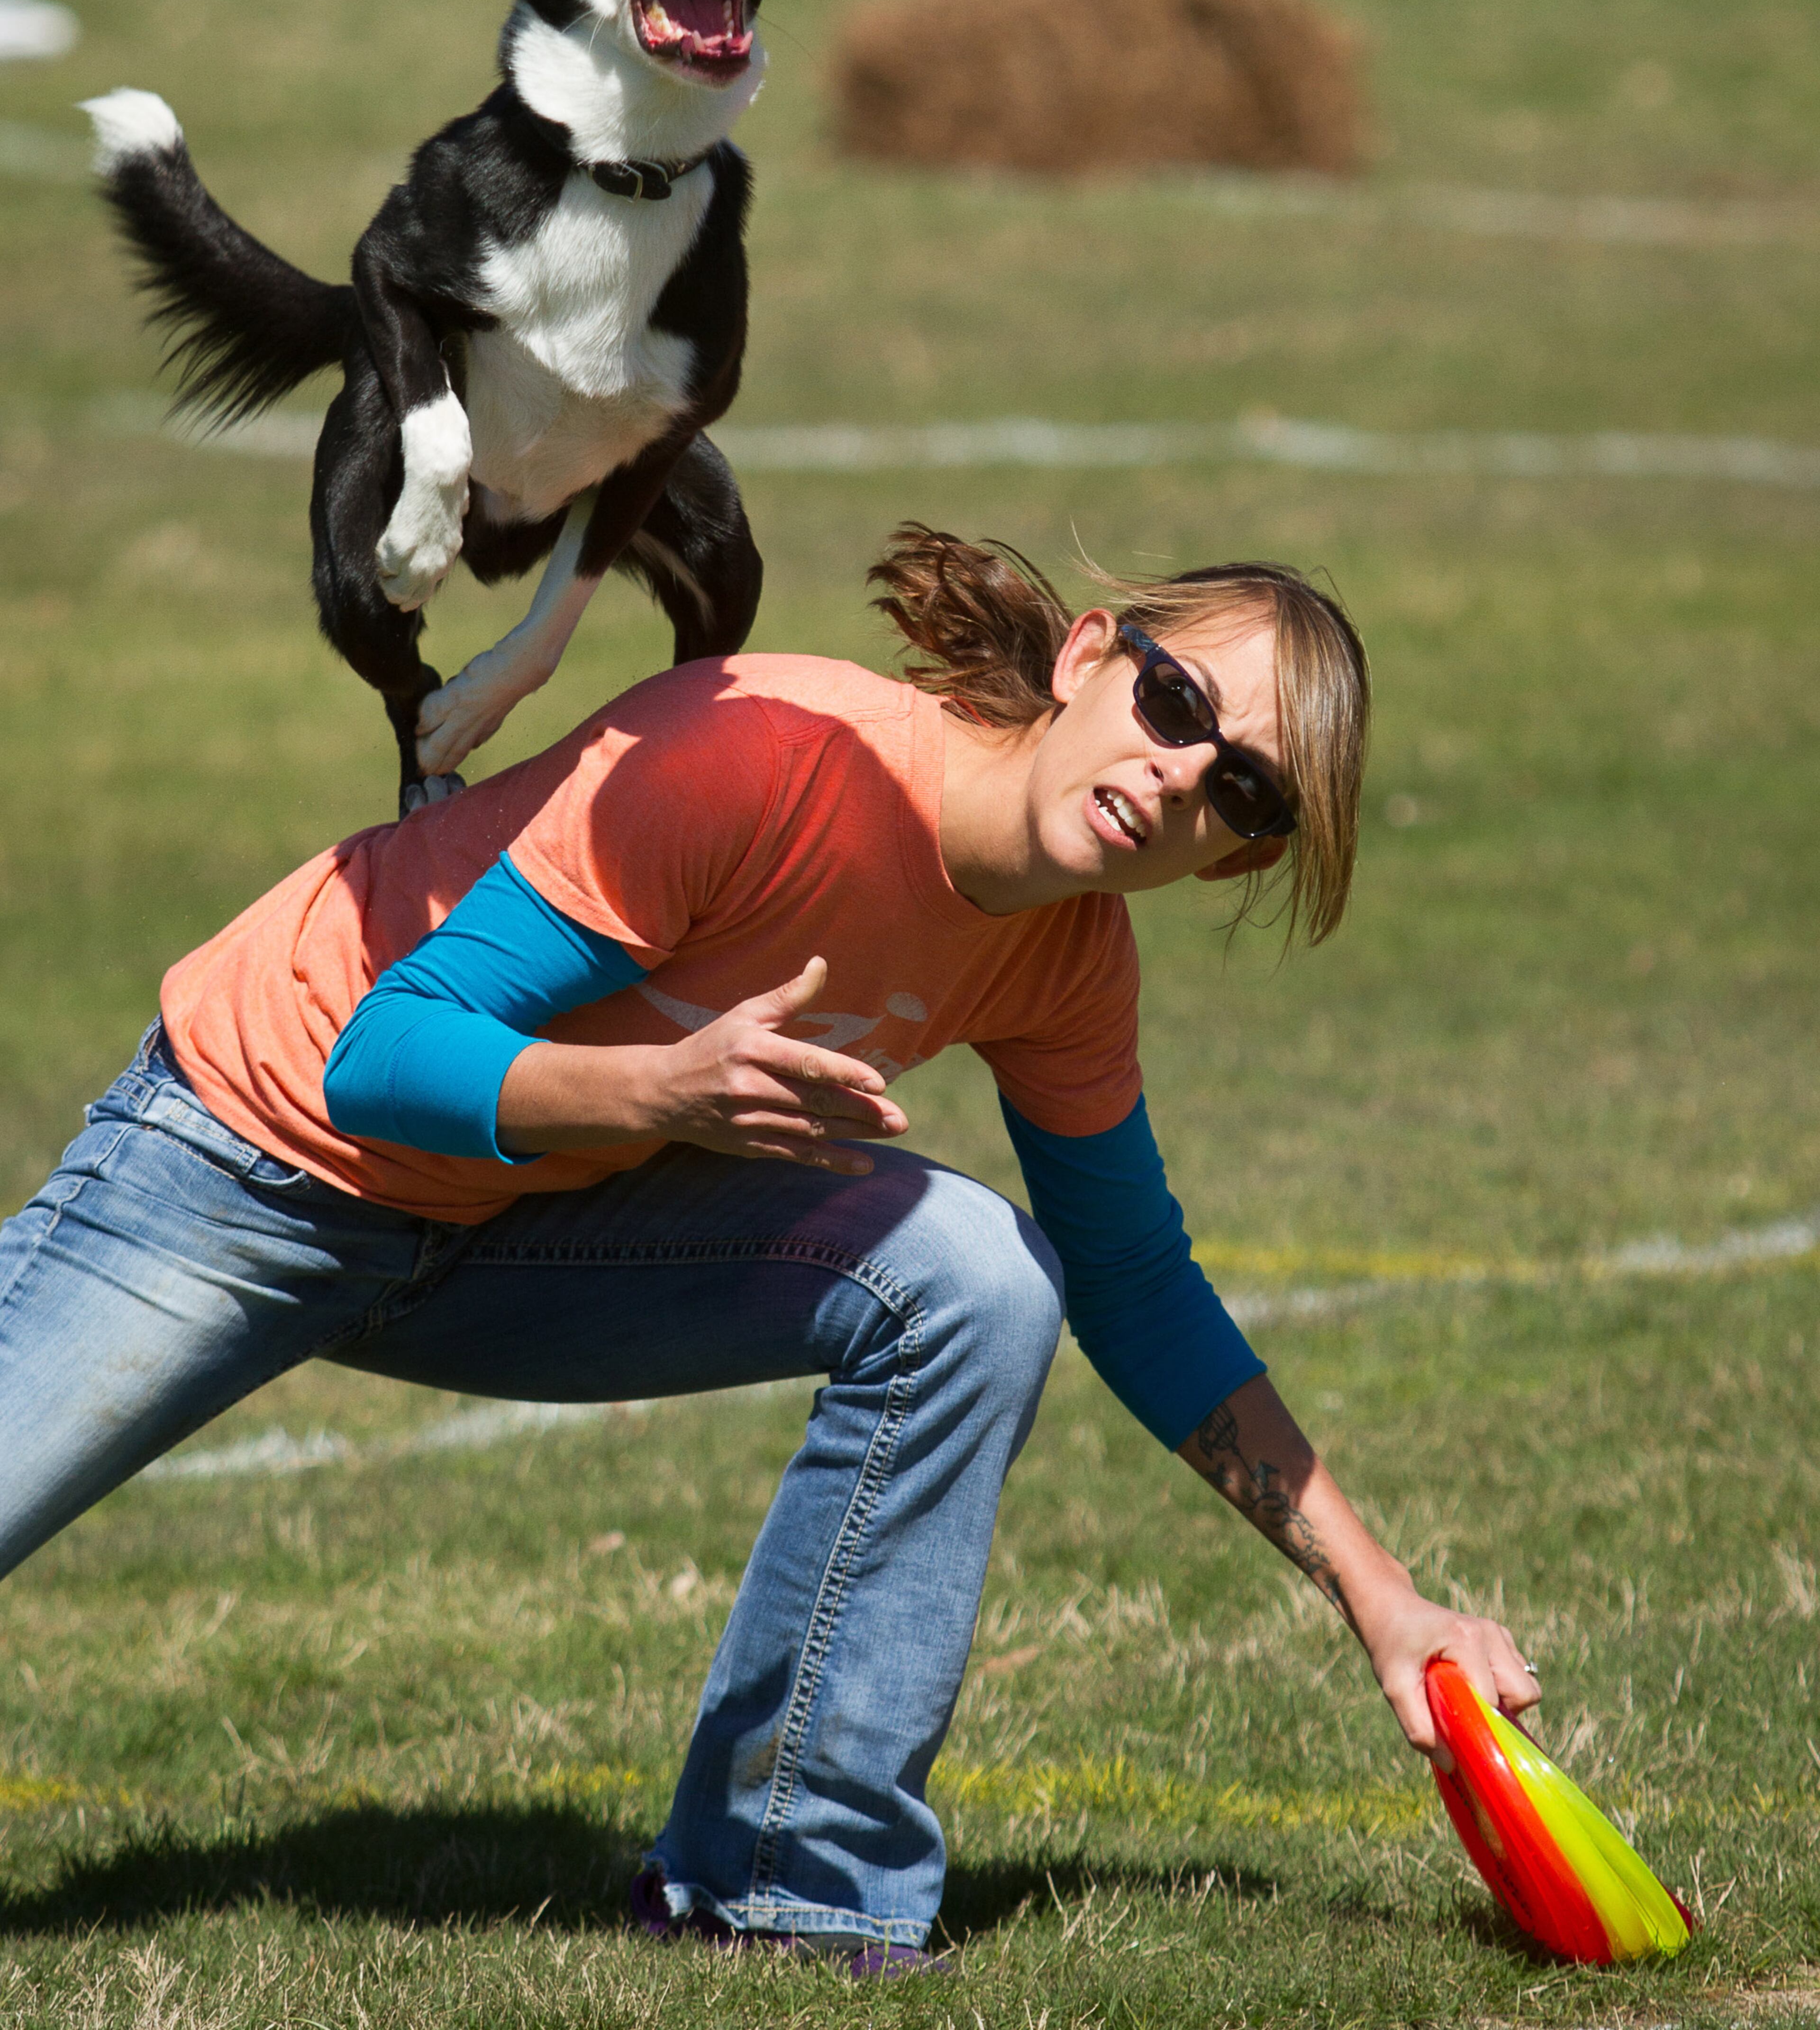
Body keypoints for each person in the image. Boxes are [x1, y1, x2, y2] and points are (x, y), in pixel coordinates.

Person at [0, 525, 1539, 1972]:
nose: (1182, 769)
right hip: (247, 1162)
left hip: (515, 1227)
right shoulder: (760, 754)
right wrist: (656, 1090)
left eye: (1246, 789)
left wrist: (1382, 1601)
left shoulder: (1068, 961)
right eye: (1176, 698)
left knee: (974, 1277)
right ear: (1088, 657)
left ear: (1235, 858)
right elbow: (385, 1056)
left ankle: (784, 1891)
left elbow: (1135, 1288)